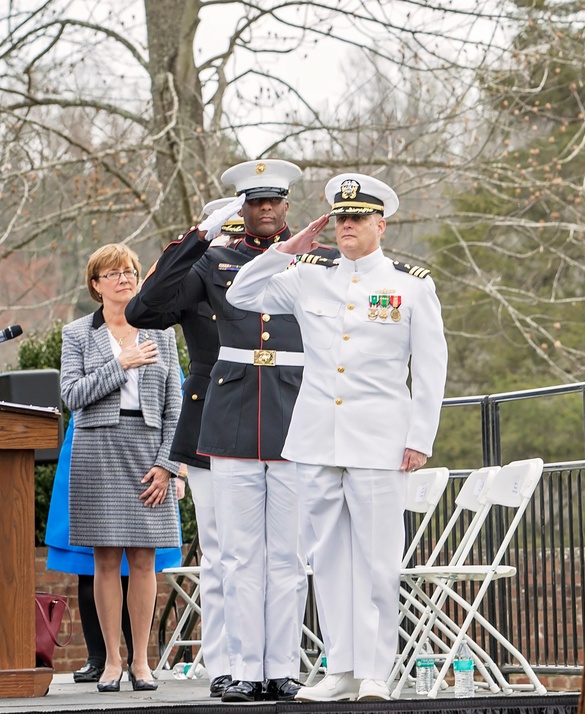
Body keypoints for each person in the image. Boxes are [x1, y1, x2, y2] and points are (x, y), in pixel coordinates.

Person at [226, 173, 448, 702]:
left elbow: (432, 368)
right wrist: (286, 249)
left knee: (376, 559)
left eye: (357, 218)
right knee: (325, 558)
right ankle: (341, 668)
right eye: (341, 218)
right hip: (317, 437)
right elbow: (240, 294)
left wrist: (420, 436)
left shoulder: (410, 285)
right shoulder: (308, 274)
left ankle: (375, 670)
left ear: (380, 225)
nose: (346, 226)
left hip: (379, 439)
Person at [127, 160, 337, 703]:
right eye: (253, 202)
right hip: (231, 415)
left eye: (274, 201)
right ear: (240, 208)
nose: (265, 210)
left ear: (287, 205)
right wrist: (196, 238)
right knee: (237, 556)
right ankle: (241, 667)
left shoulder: (321, 260)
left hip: (296, 415)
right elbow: (144, 309)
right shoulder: (212, 260)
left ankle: (282, 668)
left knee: (289, 558)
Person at [123, 198, 245, 697]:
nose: (231, 250)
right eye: (225, 240)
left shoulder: (280, 273)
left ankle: (265, 660)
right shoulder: (196, 278)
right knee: (217, 552)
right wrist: (196, 236)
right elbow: (146, 306)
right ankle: (222, 662)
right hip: (209, 421)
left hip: (271, 422)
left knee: (271, 555)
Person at [59, 243, 182, 693]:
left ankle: (141, 661)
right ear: (96, 284)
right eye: (112, 273)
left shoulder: (161, 332)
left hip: (148, 448)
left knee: (145, 558)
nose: (124, 278)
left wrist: (169, 465)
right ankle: (111, 660)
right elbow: (72, 395)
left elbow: (175, 408)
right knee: (105, 558)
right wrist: (120, 363)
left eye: (129, 270)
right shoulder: (77, 333)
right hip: (96, 448)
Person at [45, 415, 183, 683]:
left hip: (143, 453)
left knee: (141, 562)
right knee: (89, 563)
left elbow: (174, 409)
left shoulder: (159, 368)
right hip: (90, 450)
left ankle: (137, 660)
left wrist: (179, 470)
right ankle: (98, 658)